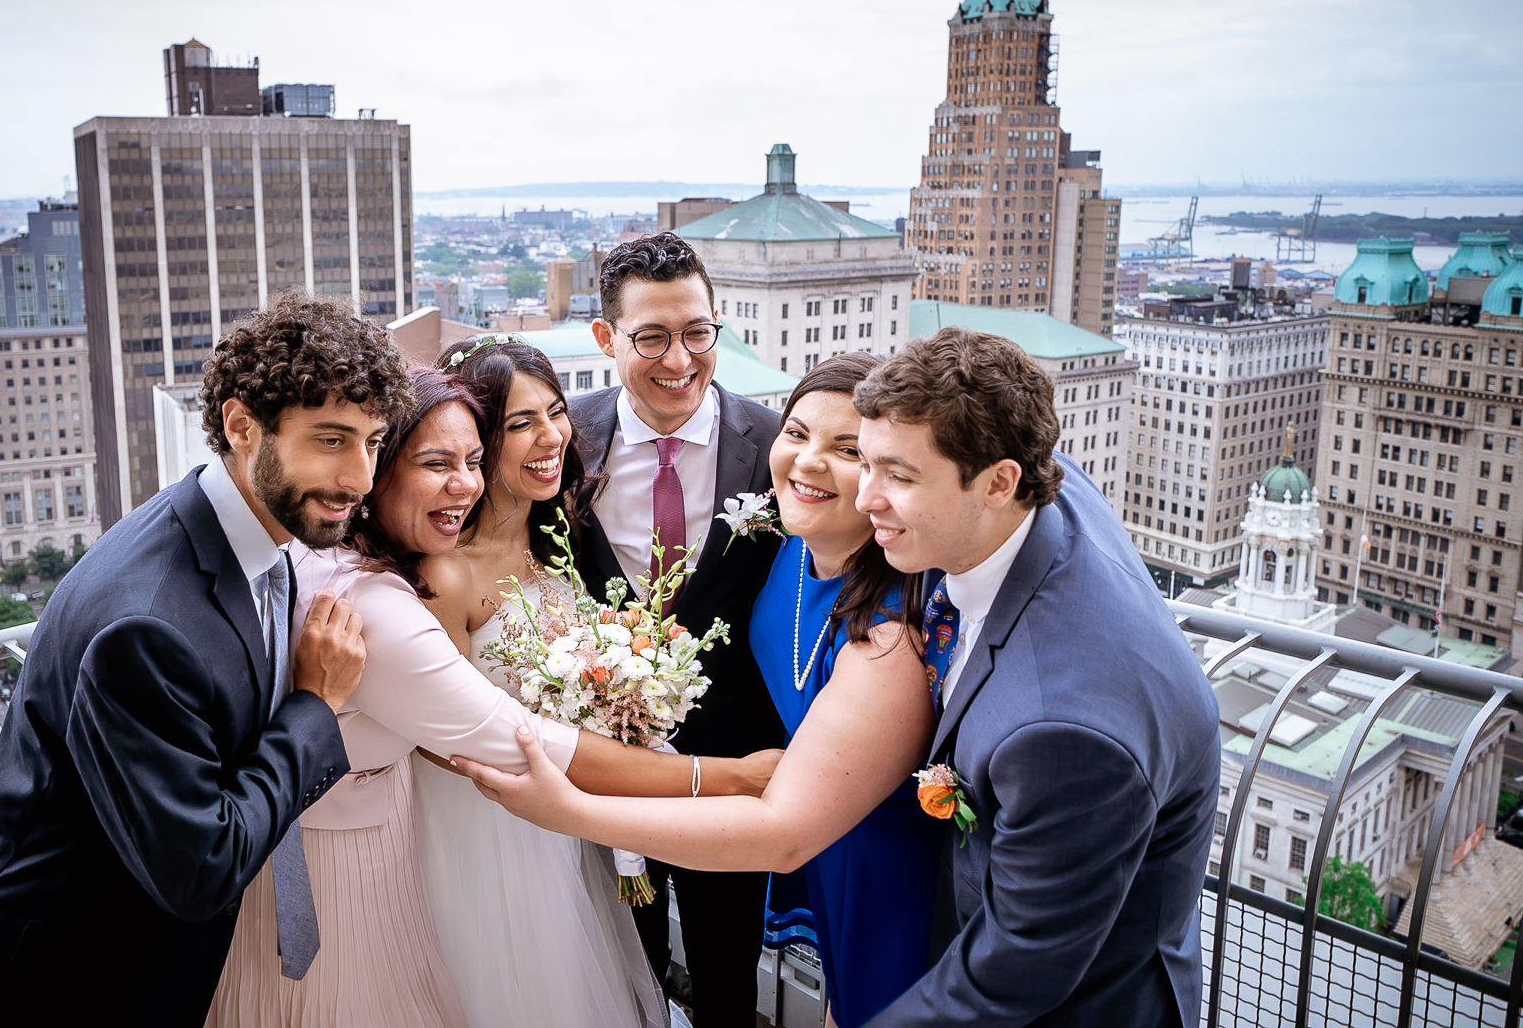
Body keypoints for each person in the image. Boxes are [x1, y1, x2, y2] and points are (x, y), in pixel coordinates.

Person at [455, 327, 1222, 1027]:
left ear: (999, 481)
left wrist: (570, 808)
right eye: (806, 437)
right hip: (851, 855)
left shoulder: (1047, 714)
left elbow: (1004, 976)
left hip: (1042, 978)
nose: (867, 491)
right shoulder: (1017, 495)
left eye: (889, 470)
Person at [0, 293, 405, 1028]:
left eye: (374, 441)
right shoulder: (147, 628)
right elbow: (202, 869)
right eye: (331, 440)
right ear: (240, 426)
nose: (360, 476)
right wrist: (313, 708)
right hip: (32, 989)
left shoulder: (256, 533)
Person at [204, 370, 777, 1028]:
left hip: (547, 811)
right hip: (453, 821)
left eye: (471, 461)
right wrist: (729, 778)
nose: (466, 482)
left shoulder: (556, 540)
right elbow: (492, 736)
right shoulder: (395, 592)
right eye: (438, 462)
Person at [415, 335, 665, 1028]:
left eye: (555, 412)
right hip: (482, 828)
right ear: (477, 440)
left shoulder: (561, 533)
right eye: (521, 423)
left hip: (562, 819)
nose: (552, 436)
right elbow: (444, 738)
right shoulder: (445, 571)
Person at [570, 232, 787, 1027]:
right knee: (625, 964)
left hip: (734, 764)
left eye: (698, 332)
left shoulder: (774, 447)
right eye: (652, 337)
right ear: (606, 339)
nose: (680, 359)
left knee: (729, 975)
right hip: (608, 765)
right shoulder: (564, 441)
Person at [744, 353, 941, 1026]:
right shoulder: (796, 542)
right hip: (826, 832)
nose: (807, 462)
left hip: (890, 864)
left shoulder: (895, 623)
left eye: (846, 449)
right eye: (796, 433)